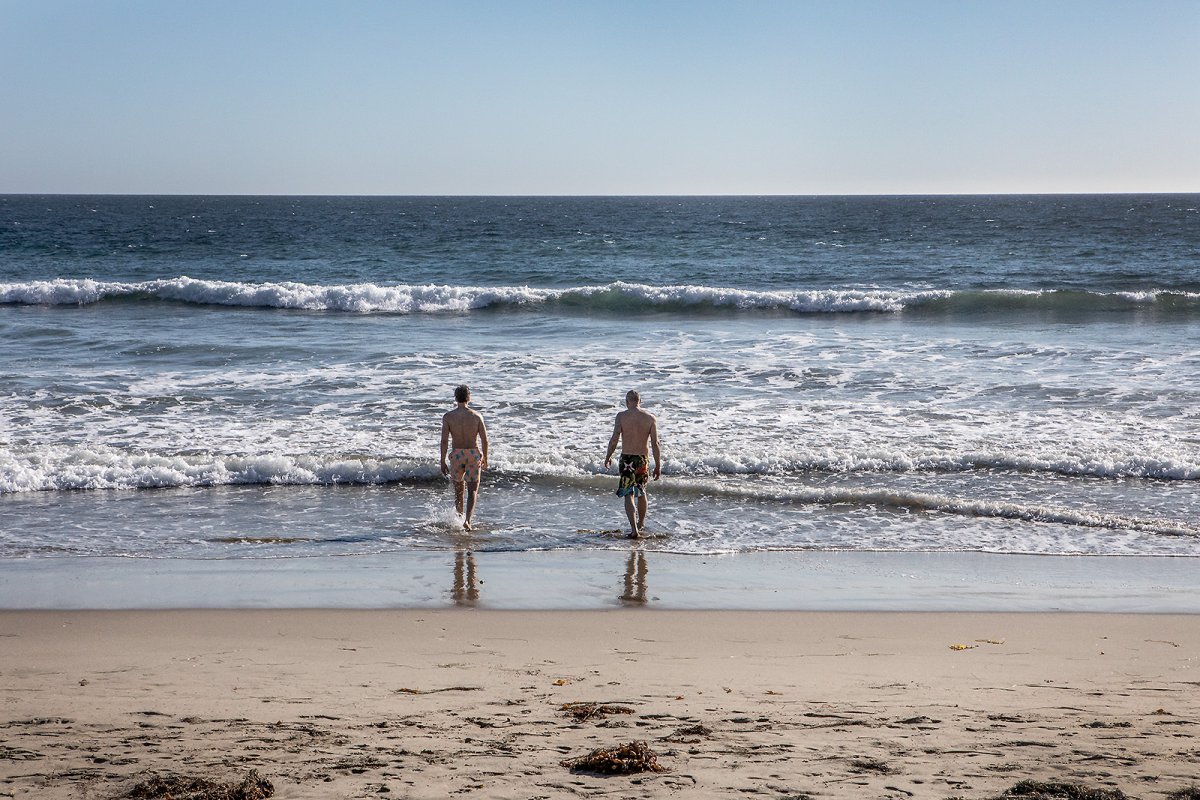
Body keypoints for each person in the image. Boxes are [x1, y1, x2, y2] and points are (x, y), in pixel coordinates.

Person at [604, 389, 661, 538]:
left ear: (626, 402)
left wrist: (608, 456)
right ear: (640, 401)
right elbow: (655, 444)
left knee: (628, 494)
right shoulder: (650, 418)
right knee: (641, 493)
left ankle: (634, 529)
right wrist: (658, 465)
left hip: (627, 460)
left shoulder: (621, 416)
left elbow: (614, 439)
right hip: (642, 459)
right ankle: (641, 524)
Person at [440, 385, 489, 530]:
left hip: (457, 454)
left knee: (458, 490)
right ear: (469, 397)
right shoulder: (477, 416)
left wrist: (442, 460)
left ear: (455, 398)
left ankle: (459, 518)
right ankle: (468, 521)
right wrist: (485, 456)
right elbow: (485, 440)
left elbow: (444, 441)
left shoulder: (448, 417)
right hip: (473, 454)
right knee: (472, 490)